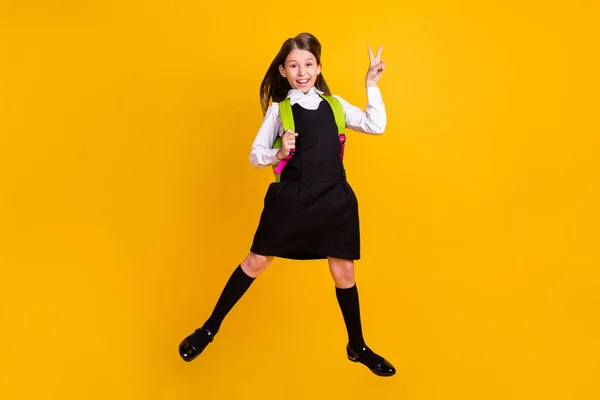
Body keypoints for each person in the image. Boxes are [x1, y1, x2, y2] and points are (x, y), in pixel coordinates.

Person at [179, 32, 395, 377]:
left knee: (344, 272)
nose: (302, 71)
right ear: (283, 71)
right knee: (257, 260)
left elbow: (376, 125)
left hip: (333, 197)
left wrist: (371, 85)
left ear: (318, 66)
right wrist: (278, 152)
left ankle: (358, 346)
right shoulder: (279, 111)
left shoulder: (336, 105)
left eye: (308, 64)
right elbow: (255, 155)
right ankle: (208, 329)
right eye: (293, 65)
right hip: (292, 196)